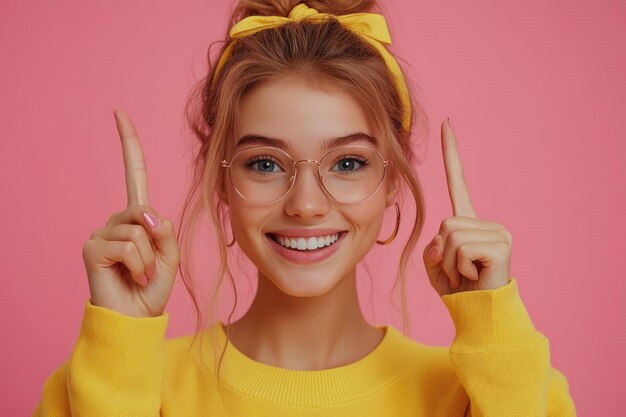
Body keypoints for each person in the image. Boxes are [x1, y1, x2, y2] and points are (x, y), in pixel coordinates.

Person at [34, 1, 576, 416]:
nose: (307, 205)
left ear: (394, 181)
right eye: (266, 164)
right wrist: (120, 349)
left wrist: (496, 333)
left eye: (348, 163)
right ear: (220, 178)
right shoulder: (103, 384)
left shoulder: (487, 393)